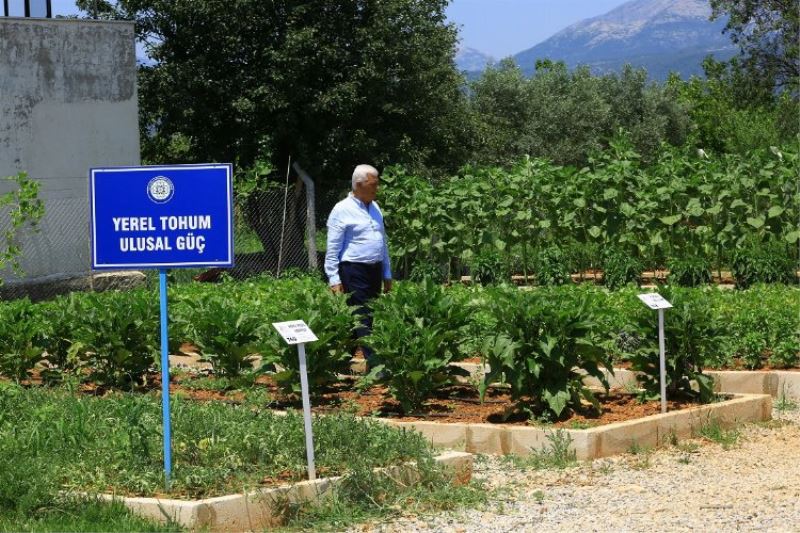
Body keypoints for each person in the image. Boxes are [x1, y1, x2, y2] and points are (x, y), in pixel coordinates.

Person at [325, 164, 392, 371]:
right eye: (373, 185)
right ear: (359, 185)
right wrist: (334, 278)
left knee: (359, 318)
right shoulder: (341, 209)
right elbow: (333, 247)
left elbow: (382, 242)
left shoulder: (376, 207)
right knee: (364, 317)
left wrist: (386, 273)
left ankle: (335, 365)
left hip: (374, 270)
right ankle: (376, 369)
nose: (376, 189)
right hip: (353, 270)